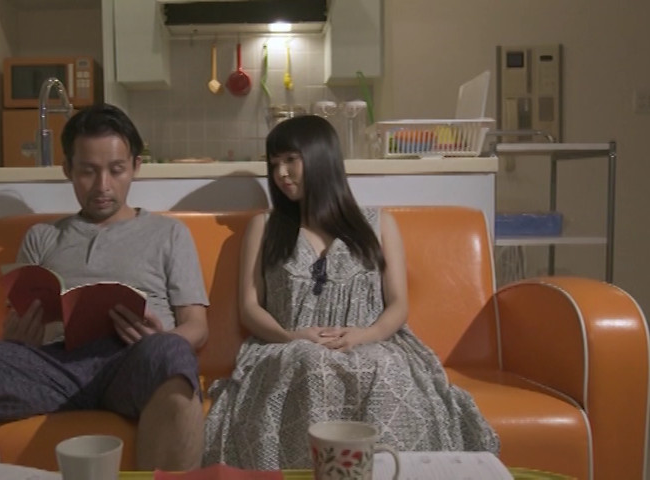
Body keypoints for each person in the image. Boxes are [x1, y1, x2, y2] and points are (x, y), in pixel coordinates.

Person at [0, 104, 209, 473]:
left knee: (172, 352)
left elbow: (198, 326)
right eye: (88, 171)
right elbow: (18, 320)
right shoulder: (42, 237)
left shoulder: (169, 234)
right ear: (68, 169)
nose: (103, 186)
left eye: (116, 170)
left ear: (136, 166)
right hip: (52, 365)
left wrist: (161, 338)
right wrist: (17, 338)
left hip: (132, 361)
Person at [203, 115, 500, 469]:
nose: (281, 173)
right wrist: (291, 336)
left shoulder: (379, 225)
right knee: (312, 363)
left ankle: (388, 474)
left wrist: (364, 335)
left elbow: (398, 305)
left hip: (372, 341)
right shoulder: (264, 227)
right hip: (287, 345)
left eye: (291, 160)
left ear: (321, 159)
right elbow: (250, 307)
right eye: (274, 163)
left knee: (383, 366)